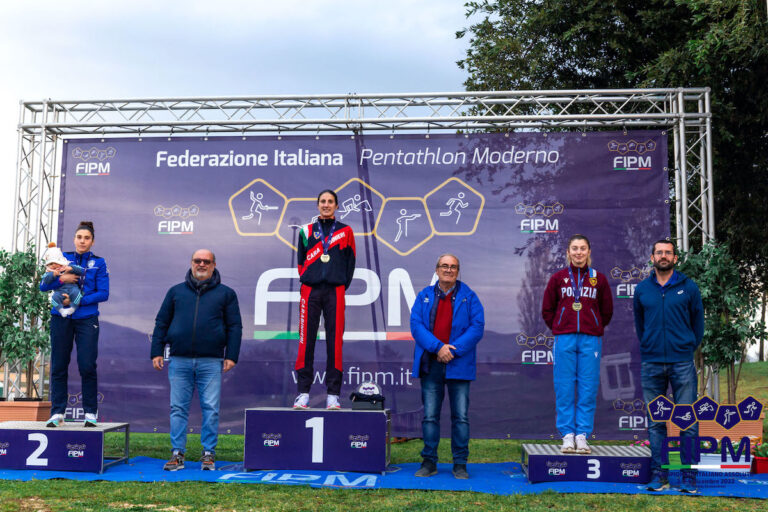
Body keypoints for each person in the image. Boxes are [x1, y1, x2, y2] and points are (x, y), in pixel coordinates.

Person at [150, 249, 242, 471]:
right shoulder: (175, 292)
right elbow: (161, 322)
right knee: (177, 408)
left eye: (206, 261)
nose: (202, 264)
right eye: (197, 261)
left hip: (211, 361)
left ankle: (208, 454)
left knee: (211, 407)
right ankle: (177, 454)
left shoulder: (226, 294)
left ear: (213, 264)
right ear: (191, 263)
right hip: (179, 359)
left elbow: (235, 326)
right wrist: (156, 351)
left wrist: (231, 355)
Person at [633, 239, 704, 493]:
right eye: (659, 252)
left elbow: (698, 325)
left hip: (682, 362)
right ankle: (658, 476)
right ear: (652, 257)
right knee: (656, 423)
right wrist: (651, 346)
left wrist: (685, 347)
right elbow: (640, 325)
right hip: (652, 363)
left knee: (688, 422)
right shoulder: (642, 289)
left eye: (668, 253)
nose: (663, 256)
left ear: (675, 258)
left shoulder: (689, 287)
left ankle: (688, 477)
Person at [410, 254, 485, 479]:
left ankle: (460, 464)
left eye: (453, 267)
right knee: (430, 416)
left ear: (458, 271)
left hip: (458, 365)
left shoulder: (469, 297)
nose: (449, 270)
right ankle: (429, 462)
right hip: (431, 364)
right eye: (445, 266)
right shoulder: (424, 296)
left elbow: (477, 327)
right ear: (437, 269)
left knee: (460, 417)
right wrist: (438, 347)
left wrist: (452, 350)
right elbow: (416, 325)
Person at [542, 234, 613, 454]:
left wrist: (594, 324)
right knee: (564, 387)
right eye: (574, 248)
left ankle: (582, 435)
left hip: (590, 338)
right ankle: (567, 436)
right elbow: (547, 309)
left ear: (589, 252)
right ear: (568, 252)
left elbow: (607, 311)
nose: (579, 252)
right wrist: (560, 325)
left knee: (588, 387)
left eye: (583, 248)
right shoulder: (558, 278)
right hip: (565, 337)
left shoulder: (598, 279)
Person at [39, 222, 109, 428]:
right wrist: (62, 280)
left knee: (87, 365)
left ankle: (90, 412)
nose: (82, 241)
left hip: (87, 319)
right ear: (74, 239)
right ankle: (58, 412)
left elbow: (103, 293)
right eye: (79, 237)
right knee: (59, 365)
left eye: (87, 238)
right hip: (60, 317)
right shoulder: (63, 258)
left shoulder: (99, 262)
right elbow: (44, 285)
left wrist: (76, 301)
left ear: (92, 241)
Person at [294, 189, 356, 410]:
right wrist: (309, 278)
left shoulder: (346, 231)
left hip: (335, 291)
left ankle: (333, 395)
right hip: (310, 291)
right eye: (323, 201)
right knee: (305, 342)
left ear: (337, 206)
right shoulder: (306, 231)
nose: (326, 205)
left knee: (335, 343)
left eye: (331, 202)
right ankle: (302, 393)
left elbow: (351, 263)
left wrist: (339, 283)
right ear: (317, 205)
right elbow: (301, 262)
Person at [41, 243, 84, 318]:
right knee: (54, 298)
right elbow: (44, 284)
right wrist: (55, 275)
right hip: (59, 291)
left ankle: (73, 308)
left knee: (77, 293)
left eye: (55, 263)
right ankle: (61, 310)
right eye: (50, 264)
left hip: (72, 288)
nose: (53, 265)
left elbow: (81, 270)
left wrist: (71, 269)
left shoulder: (67, 265)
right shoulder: (49, 272)